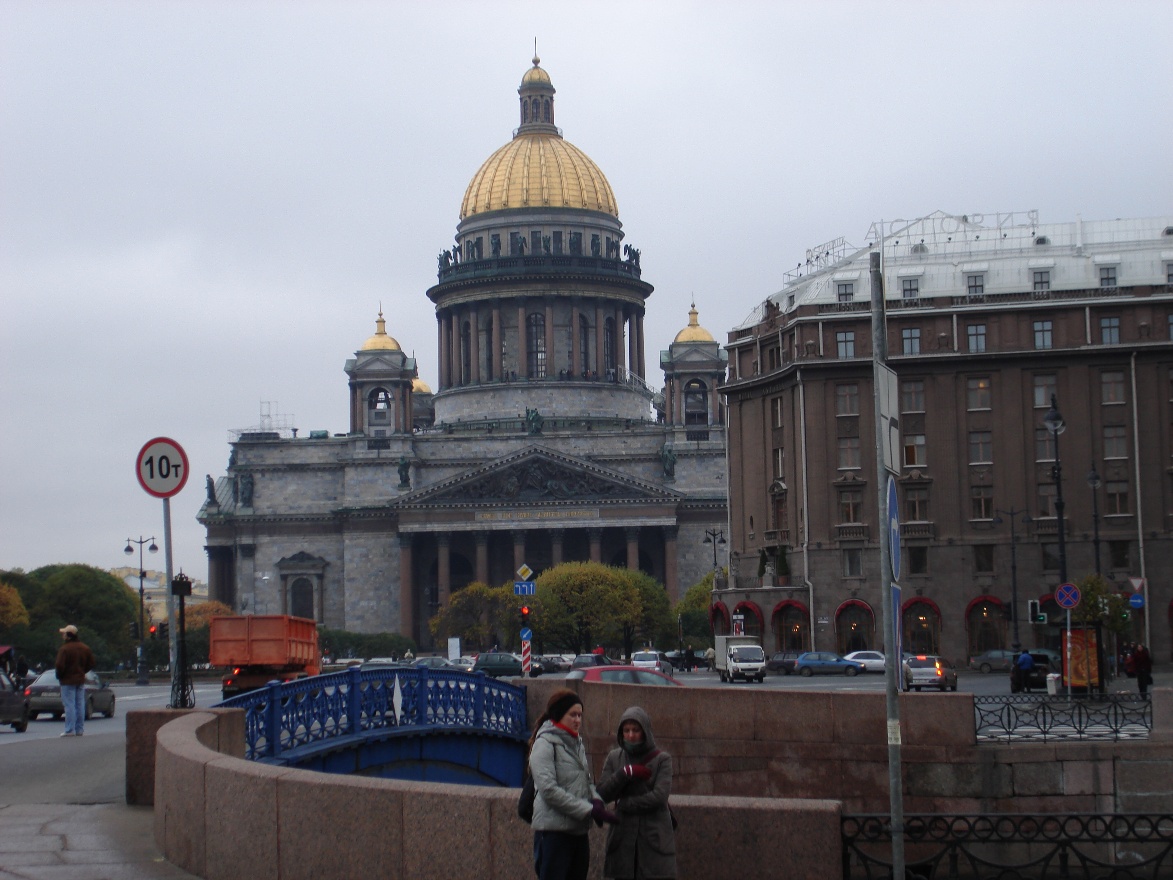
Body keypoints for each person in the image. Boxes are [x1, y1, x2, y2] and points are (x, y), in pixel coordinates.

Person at [528, 688, 617, 880]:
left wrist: (596, 801)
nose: (577, 720)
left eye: (580, 715)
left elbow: (586, 782)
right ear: (559, 715)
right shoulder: (544, 744)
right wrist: (588, 810)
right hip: (554, 834)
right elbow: (549, 790)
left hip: (578, 832)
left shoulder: (577, 743)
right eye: (573, 715)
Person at [596, 706, 676, 880]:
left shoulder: (662, 759)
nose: (631, 735)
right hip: (622, 837)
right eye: (626, 731)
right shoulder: (614, 758)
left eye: (635, 730)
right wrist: (624, 773)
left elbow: (660, 796)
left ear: (645, 731)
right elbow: (602, 794)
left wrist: (626, 804)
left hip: (653, 840)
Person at [55, 624, 95, 737]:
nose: (62, 636)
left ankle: (69, 730)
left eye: (64, 634)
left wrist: (60, 675)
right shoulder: (85, 648)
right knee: (80, 704)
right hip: (80, 680)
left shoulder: (64, 649)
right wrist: (82, 671)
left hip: (67, 681)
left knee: (69, 705)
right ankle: (79, 729)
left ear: (69, 635)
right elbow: (91, 663)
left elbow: (59, 664)